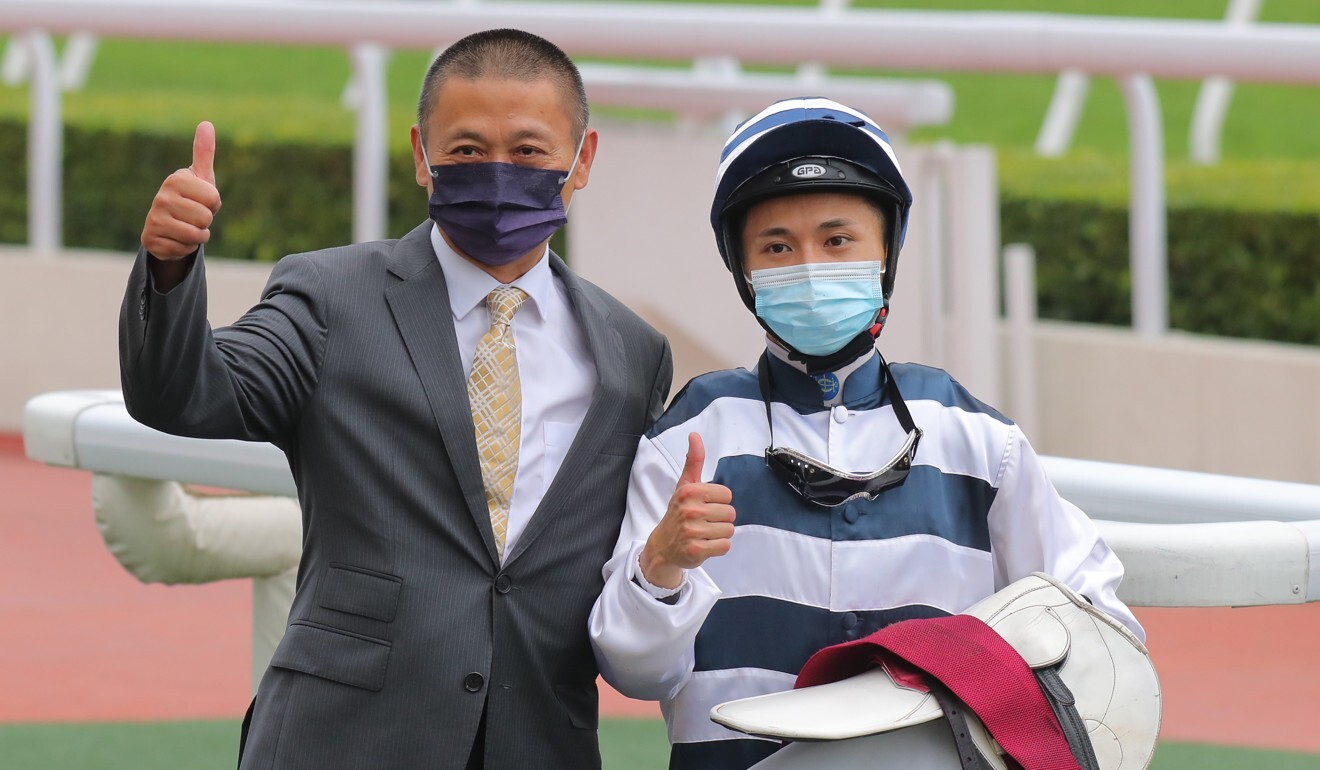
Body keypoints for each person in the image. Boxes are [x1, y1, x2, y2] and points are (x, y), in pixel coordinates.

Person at [121, 29, 672, 770]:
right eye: (469, 151)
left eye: (531, 151)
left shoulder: (633, 352)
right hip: (344, 738)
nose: (499, 173)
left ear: (583, 160)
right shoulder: (329, 297)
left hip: (540, 738)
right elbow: (185, 398)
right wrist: (169, 267)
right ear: (422, 155)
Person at [588, 96, 1144, 770]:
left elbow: (1096, 623)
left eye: (837, 239)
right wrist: (663, 564)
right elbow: (634, 670)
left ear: (888, 251)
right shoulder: (693, 439)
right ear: (743, 271)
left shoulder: (975, 438)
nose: (812, 267)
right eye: (776, 247)